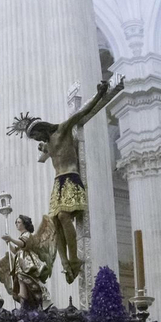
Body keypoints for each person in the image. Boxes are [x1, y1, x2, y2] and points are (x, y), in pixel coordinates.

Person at [7, 76, 125, 283]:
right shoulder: (47, 144)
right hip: (58, 182)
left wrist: (100, 94)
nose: (39, 140)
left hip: (71, 178)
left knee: (63, 216)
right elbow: (43, 156)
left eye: (37, 136)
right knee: (54, 221)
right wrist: (43, 148)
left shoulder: (62, 129)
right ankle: (64, 262)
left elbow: (82, 113)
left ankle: (74, 258)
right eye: (36, 139)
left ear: (42, 128)